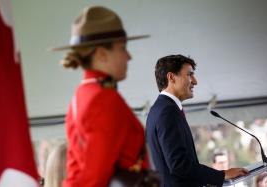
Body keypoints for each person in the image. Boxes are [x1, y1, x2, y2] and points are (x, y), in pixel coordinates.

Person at [51, 6, 150, 187]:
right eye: (122, 48)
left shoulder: (81, 95)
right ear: (102, 54)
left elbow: (76, 171)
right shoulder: (104, 98)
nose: (129, 56)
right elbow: (94, 178)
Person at [145, 54, 248, 187]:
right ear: (171, 77)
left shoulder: (160, 109)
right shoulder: (167, 111)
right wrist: (222, 175)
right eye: (189, 75)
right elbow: (178, 165)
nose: (195, 81)